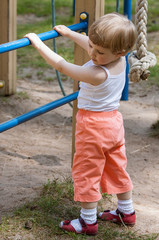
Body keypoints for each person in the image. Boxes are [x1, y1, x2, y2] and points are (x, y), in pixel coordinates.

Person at [25, 12, 137, 236]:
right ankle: (127, 212)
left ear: (119, 52)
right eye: (92, 47)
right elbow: (91, 42)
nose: (93, 54)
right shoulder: (119, 59)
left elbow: (62, 66)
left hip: (93, 126)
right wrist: (70, 34)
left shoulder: (97, 73)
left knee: (87, 169)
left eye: (99, 52)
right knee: (116, 166)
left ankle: (87, 222)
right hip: (113, 124)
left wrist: (38, 44)